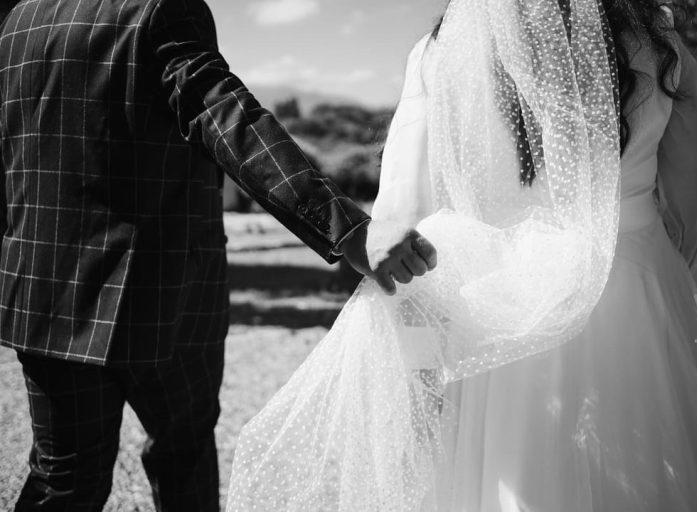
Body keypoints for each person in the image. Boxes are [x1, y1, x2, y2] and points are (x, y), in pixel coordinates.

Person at [226, 0, 697, 510]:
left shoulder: (445, 50)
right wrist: (671, 258)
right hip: (634, 285)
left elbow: (408, 204)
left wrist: (418, 351)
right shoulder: (652, 40)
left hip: (496, 302)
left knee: (514, 469)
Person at [0, 0, 436, 510]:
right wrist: (350, 229)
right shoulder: (159, 9)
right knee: (182, 459)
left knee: (64, 477)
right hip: (163, 293)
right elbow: (227, 118)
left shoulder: (16, 20)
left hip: (42, 292)